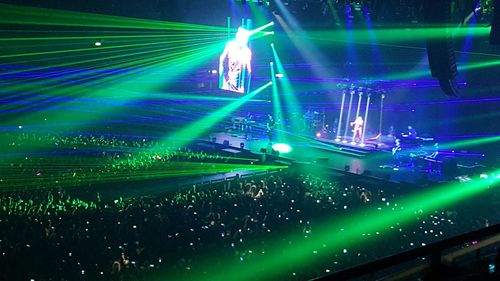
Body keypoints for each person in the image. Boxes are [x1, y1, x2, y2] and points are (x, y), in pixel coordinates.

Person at [219, 27, 252, 93]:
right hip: (227, 81)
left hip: (239, 85)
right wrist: (223, 76)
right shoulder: (230, 45)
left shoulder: (247, 51)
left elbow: (249, 71)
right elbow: (222, 59)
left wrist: (245, 87)